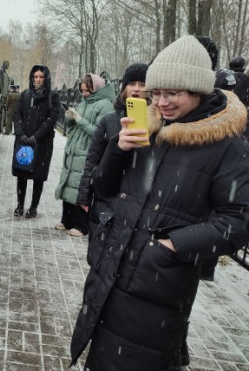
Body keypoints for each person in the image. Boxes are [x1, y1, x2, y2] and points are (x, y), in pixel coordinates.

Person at [70, 35, 249, 371]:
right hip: (112, 271)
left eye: (172, 94)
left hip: (158, 285)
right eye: (156, 93)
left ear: (198, 90)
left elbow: (238, 223)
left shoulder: (227, 146)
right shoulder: (147, 126)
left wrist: (171, 245)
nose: (161, 103)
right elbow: (104, 188)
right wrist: (118, 149)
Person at [76, 63, 148, 236]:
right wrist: (85, 193)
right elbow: (92, 159)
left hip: (140, 201)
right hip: (108, 197)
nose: (136, 89)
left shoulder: (159, 123)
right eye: (132, 84)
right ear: (124, 88)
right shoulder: (109, 120)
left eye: (142, 84)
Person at [54, 74, 114, 237]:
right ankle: (67, 219)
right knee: (69, 182)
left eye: (87, 90)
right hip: (74, 148)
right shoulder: (84, 102)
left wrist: (79, 120)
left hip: (88, 149)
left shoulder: (105, 105)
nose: (84, 94)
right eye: (82, 91)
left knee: (81, 185)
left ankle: (81, 225)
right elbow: (73, 128)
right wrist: (70, 119)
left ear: (96, 88)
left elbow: (99, 132)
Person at [12, 65, 59, 218]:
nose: (38, 80)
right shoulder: (26, 95)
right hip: (24, 140)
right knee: (22, 173)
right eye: (36, 77)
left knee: (38, 176)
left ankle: (33, 207)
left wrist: (37, 136)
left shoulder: (52, 96)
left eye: (41, 77)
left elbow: (51, 119)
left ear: (46, 78)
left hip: (42, 143)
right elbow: (17, 114)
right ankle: (20, 205)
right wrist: (20, 133)